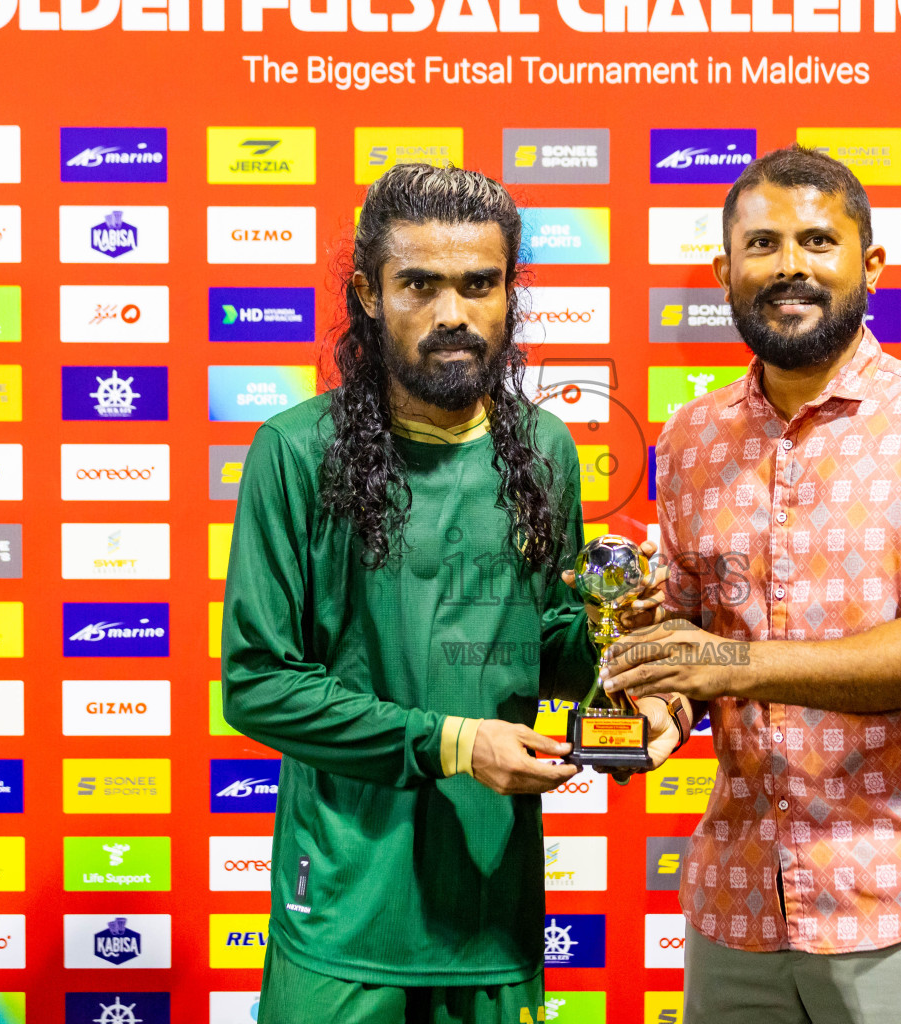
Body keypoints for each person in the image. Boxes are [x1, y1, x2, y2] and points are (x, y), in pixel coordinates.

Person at [220, 163, 681, 1024]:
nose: (453, 317)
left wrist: (621, 651)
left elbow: (543, 650)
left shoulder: (544, 449)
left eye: (480, 285)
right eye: (419, 285)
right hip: (347, 917)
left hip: (490, 907)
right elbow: (258, 685)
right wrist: (456, 743)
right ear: (366, 291)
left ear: (510, 292)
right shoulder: (293, 451)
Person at [602, 146, 901, 1023]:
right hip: (737, 910)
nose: (789, 266)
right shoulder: (689, 439)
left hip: (900, 904)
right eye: (761, 244)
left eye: (816, 242)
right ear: (724, 270)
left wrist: (732, 663)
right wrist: (643, 709)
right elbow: (686, 648)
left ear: (869, 264)